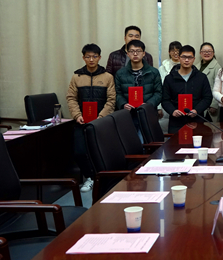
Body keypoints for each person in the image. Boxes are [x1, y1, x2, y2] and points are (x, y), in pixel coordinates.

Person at [66, 43, 116, 192]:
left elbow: (111, 100)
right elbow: (71, 98)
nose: (91, 59)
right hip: (82, 121)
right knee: (79, 152)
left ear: (99, 57)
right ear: (83, 58)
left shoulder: (108, 77)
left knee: (101, 152)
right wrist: (77, 115)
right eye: (88, 57)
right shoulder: (76, 77)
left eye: (94, 56)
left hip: (101, 122)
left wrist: (101, 116)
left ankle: (102, 179)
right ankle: (90, 177)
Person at [161, 45, 213, 133]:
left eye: (189, 57)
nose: (186, 60)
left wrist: (197, 110)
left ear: (194, 59)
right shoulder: (169, 78)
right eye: (184, 57)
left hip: (196, 120)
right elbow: (165, 99)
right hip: (176, 121)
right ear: (179, 58)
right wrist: (172, 111)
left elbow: (207, 98)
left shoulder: (201, 77)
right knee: (175, 142)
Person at [114, 40, 162, 111]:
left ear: (143, 53)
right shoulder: (120, 73)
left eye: (138, 51)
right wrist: (123, 104)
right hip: (127, 112)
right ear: (128, 54)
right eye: (132, 51)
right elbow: (118, 94)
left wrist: (148, 104)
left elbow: (158, 93)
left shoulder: (153, 72)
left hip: (148, 111)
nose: (135, 54)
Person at [158, 41, 183, 132]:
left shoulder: (186, 65)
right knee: (166, 129)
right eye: (173, 50)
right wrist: (158, 107)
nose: (175, 53)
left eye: (178, 50)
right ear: (169, 52)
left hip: (182, 102)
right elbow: (159, 87)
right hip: (166, 102)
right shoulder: (162, 68)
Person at [198, 42, 222, 121]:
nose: (206, 53)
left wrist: (214, 105)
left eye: (209, 51)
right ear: (200, 53)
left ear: (213, 53)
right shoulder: (196, 67)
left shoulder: (217, 67)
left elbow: (220, 87)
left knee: (211, 127)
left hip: (210, 105)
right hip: (198, 104)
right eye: (204, 51)